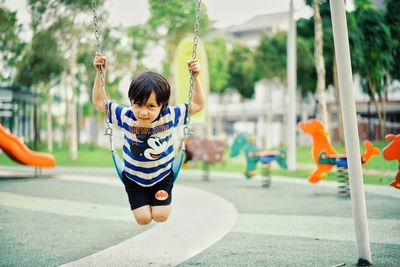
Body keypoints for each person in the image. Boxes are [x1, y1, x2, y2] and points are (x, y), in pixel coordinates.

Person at [92, 52, 204, 225]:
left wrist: (195, 78)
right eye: (138, 104)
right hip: (133, 178)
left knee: (161, 215)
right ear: (131, 102)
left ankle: (160, 202)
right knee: (143, 219)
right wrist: (100, 73)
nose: (143, 112)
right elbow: (99, 102)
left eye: (151, 106)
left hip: (162, 176)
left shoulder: (169, 116)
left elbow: (197, 105)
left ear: (162, 105)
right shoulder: (125, 116)